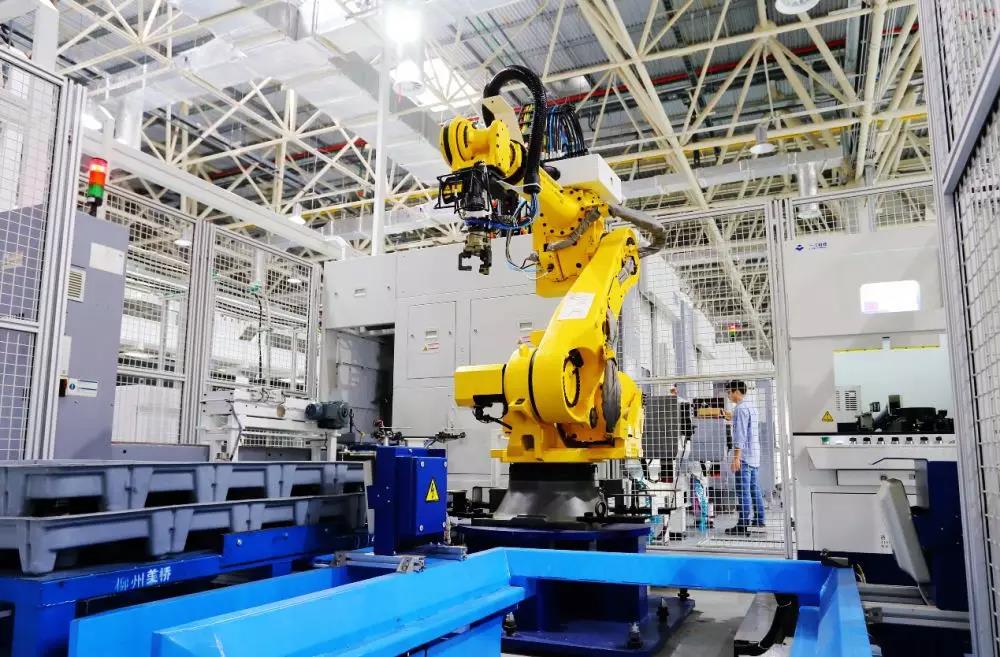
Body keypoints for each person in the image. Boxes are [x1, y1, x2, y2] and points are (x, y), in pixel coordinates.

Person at [723, 380, 765, 536]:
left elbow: (740, 435)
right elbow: (747, 426)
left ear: (736, 391)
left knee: (743, 491)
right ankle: (759, 520)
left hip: (744, 457)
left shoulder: (740, 409)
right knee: (754, 489)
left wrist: (736, 458)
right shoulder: (751, 406)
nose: (728, 396)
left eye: (729, 392)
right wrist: (731, 417)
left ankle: (743, 524)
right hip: (754, 455)